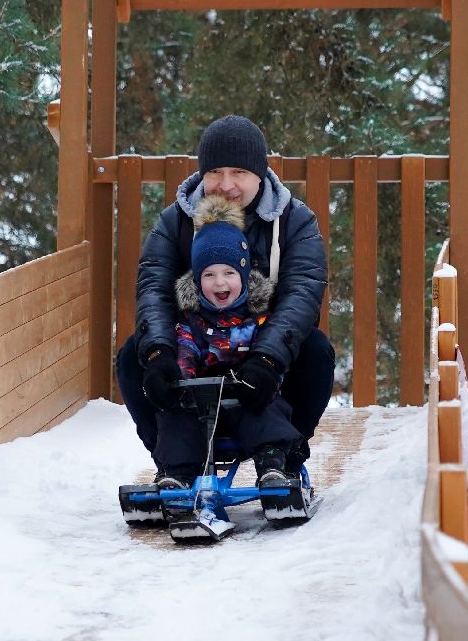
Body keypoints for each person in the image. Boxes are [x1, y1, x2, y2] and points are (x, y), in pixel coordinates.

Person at [115, 114, 335, 482]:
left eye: (239, 172)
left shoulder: (295, 221)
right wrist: (159, 351)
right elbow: (153, 286)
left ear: (260, 174)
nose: (226, 184)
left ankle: (284, 454)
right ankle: (174, 463)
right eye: (215, 172)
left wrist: (267, 358)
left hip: (262, 348)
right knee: (132, 356)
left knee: (315, 350)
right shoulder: (175, 222)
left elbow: (303, 293)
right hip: (194, 347)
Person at [152, 195, 303, 490]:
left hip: (246, 397)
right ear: (196, 280)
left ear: (244, 276)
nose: (219, 283)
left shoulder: (259, 318)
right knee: (176, 417)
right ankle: (178, 474)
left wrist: (265, 372)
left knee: (267, 407)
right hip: (203, 404)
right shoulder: (191, 321)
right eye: (209, 275)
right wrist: (181, 382)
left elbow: (273, 353)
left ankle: (273, 465)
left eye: (229, 273)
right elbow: (185, 351)